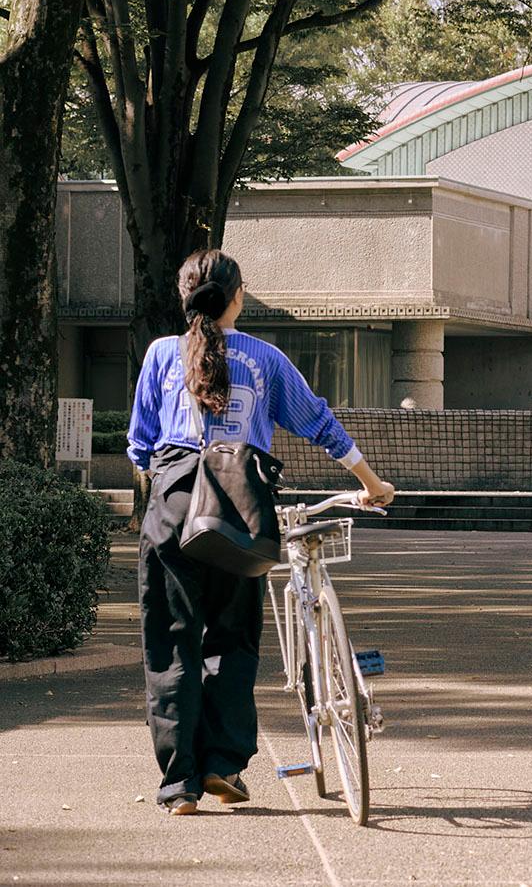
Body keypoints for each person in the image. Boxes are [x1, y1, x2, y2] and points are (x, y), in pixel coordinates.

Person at [127, 249, 395, 816]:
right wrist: (372, 482)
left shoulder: (158, 356)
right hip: (240, 505)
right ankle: (222, 763)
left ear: (185, 297)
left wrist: (160, 500)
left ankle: (180, 785)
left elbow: (140, 443)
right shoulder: (264, 358)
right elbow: (318, 421)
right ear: (238, 297)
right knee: (233, 635)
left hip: (174, 500)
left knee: (171, 639)